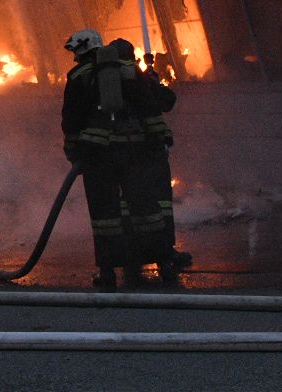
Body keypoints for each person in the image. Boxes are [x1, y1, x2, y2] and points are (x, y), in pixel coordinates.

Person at [60, 29, 188, 290]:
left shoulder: (78, 76)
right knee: (147, 210)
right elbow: (150, 107)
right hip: (134, 154)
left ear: (82, 50)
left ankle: (107, 274)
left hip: (97, 157)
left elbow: (71, 121)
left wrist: (74, 153)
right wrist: (156, 140)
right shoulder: (129, 71)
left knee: (104, 216)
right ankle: (164, 265)